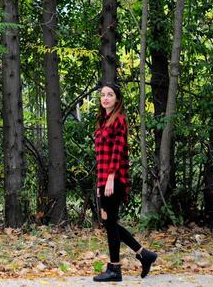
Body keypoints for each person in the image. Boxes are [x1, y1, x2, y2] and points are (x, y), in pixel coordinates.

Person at [93, 84, 157, 282]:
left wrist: (111, 177)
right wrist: (99, 183)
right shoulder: (102, 121)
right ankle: (143, 255)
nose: (105, 98)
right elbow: (100, 157)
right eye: (103, 95)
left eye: (110, 95)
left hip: (115, 179)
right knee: (109, 222)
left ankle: (115, 269)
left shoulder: (119, 120)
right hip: (104, 179)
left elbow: (117, 151)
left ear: (117, 99)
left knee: (110, 223)